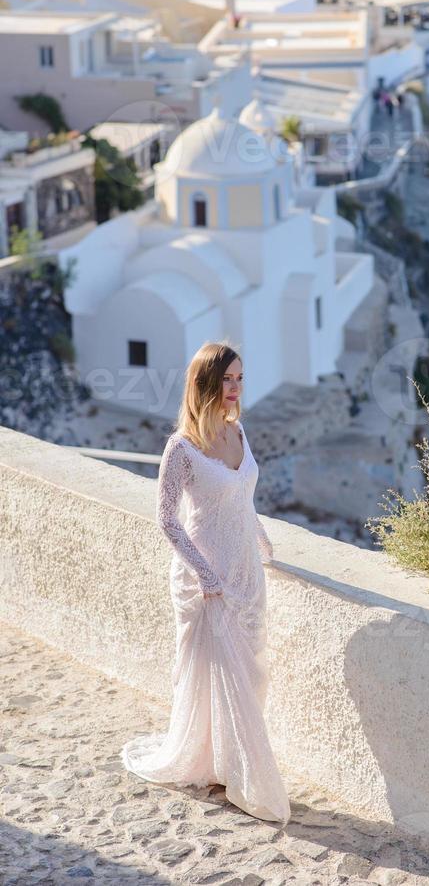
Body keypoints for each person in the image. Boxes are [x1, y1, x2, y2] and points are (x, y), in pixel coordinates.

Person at [120, 341, 290, 825]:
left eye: (240, 378)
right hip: (205, 580)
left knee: (250, 667)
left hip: (245, 572)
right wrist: (205, 572)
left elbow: (242, 496)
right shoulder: (181, 448)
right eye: (227, 380)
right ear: (205, 384)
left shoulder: (239, 431)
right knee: (220, 670)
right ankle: (243, 777)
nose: (235, 388)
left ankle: (223, 758)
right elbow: (167, 520)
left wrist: (260, 538)